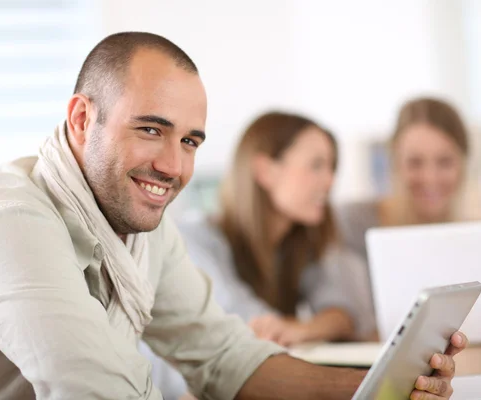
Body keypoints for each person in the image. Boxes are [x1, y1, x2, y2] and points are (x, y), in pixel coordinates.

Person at [0, 32, 464, 400]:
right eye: (150, 129)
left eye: (190, 141)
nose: (172, 164)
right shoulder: (8, 224)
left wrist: (387, 387)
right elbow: (99, 390)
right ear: (83, 119)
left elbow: (227, 359)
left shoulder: (137, 229)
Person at [146, 111, 377, 399]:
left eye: (331, 167)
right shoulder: (195, 240)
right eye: (316, 165)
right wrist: (302, 329)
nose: (329, 181)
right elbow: (248, 330)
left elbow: (349, 312)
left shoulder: (301, 239)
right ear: (265, 171)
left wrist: (303, 329)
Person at [337, 97, 481, 261]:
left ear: (463, 166)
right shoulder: (354, 225)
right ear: (395, 163)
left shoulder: (477, 238)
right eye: (415, 162)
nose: (430, 178)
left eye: (445, 162)